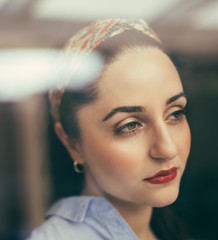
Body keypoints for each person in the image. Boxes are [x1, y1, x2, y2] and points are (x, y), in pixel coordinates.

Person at [28, 18, 191, 240]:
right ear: (71, 142)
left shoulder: (166, 230)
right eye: (130, 125)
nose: (168, 148)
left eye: (175, 114)